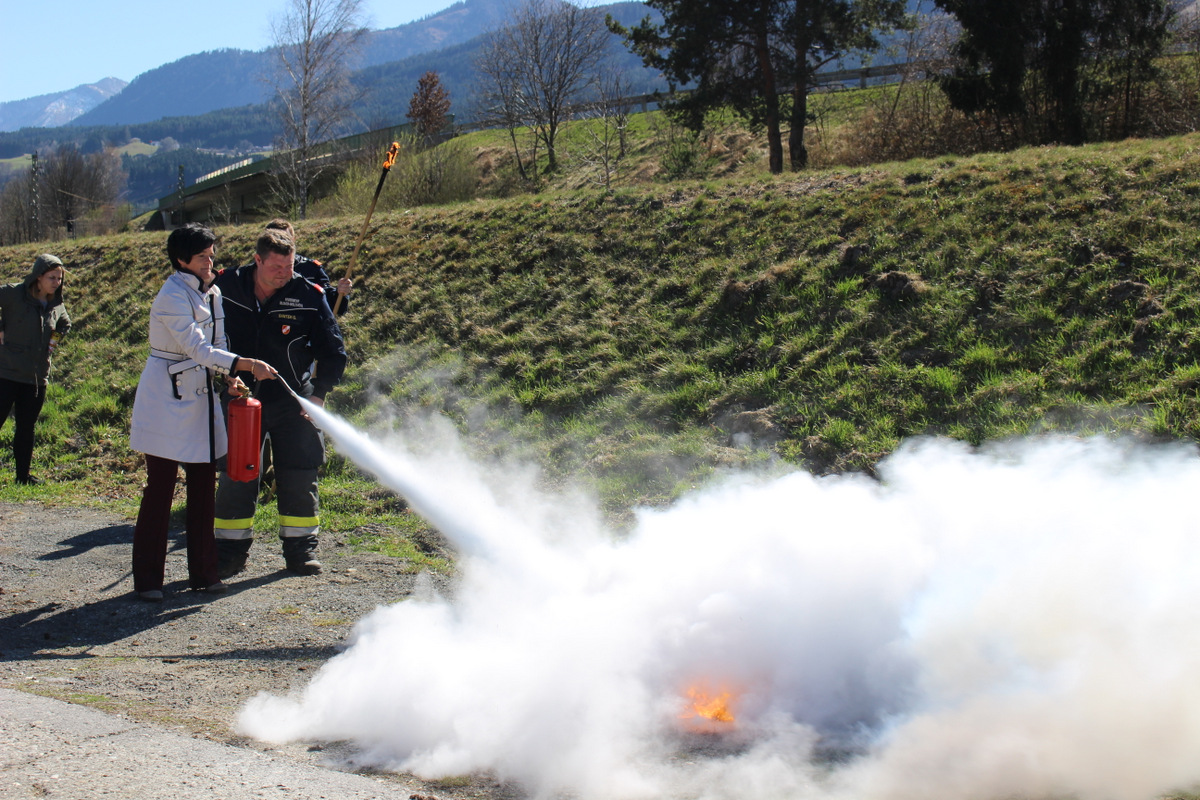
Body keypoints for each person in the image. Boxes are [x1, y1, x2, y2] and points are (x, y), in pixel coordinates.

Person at [128, 223, 279, 602]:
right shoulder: (171, 295)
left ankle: (204, 573)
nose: (210, 262)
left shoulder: (212, 292)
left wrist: (230, 377)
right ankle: (148, 580)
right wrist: (246, 364)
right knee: (160, 490)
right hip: (165, 399)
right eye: (202, 257)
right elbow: (197, 348)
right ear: (182, 260)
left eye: (211, 255)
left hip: (200, 399)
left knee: (202, 489)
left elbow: (218, 342)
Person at [213, 227, 347, 577]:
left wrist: (317, 395)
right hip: (239, 399)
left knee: (300, 473)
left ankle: (301, 550)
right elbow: (204, 340)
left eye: (289, 267)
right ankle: (229, 553)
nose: (284, 274)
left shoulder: (308, 294)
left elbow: (333, 351)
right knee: (237, 474)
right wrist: (223, 376)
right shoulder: (225, 287)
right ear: (257, 260)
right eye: (276, 267)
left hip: (294, 400)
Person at [0, 254, 71, 485]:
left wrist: (54, 340)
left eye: (59, 278)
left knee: (26, 428)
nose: (56, 283)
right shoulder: (14, 293)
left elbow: (65, 323)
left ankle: (23, 477)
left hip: (36, 377)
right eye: (52, 277)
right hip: (6, 372)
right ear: (38, 277)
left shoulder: (56, 304)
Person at [263, 218, 352, 315]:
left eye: (285, 238)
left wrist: (340, 293)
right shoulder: (256, 271)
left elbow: (332, 306)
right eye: (275, 239)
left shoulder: (311, 269)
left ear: (293, 239)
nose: (280, 244)